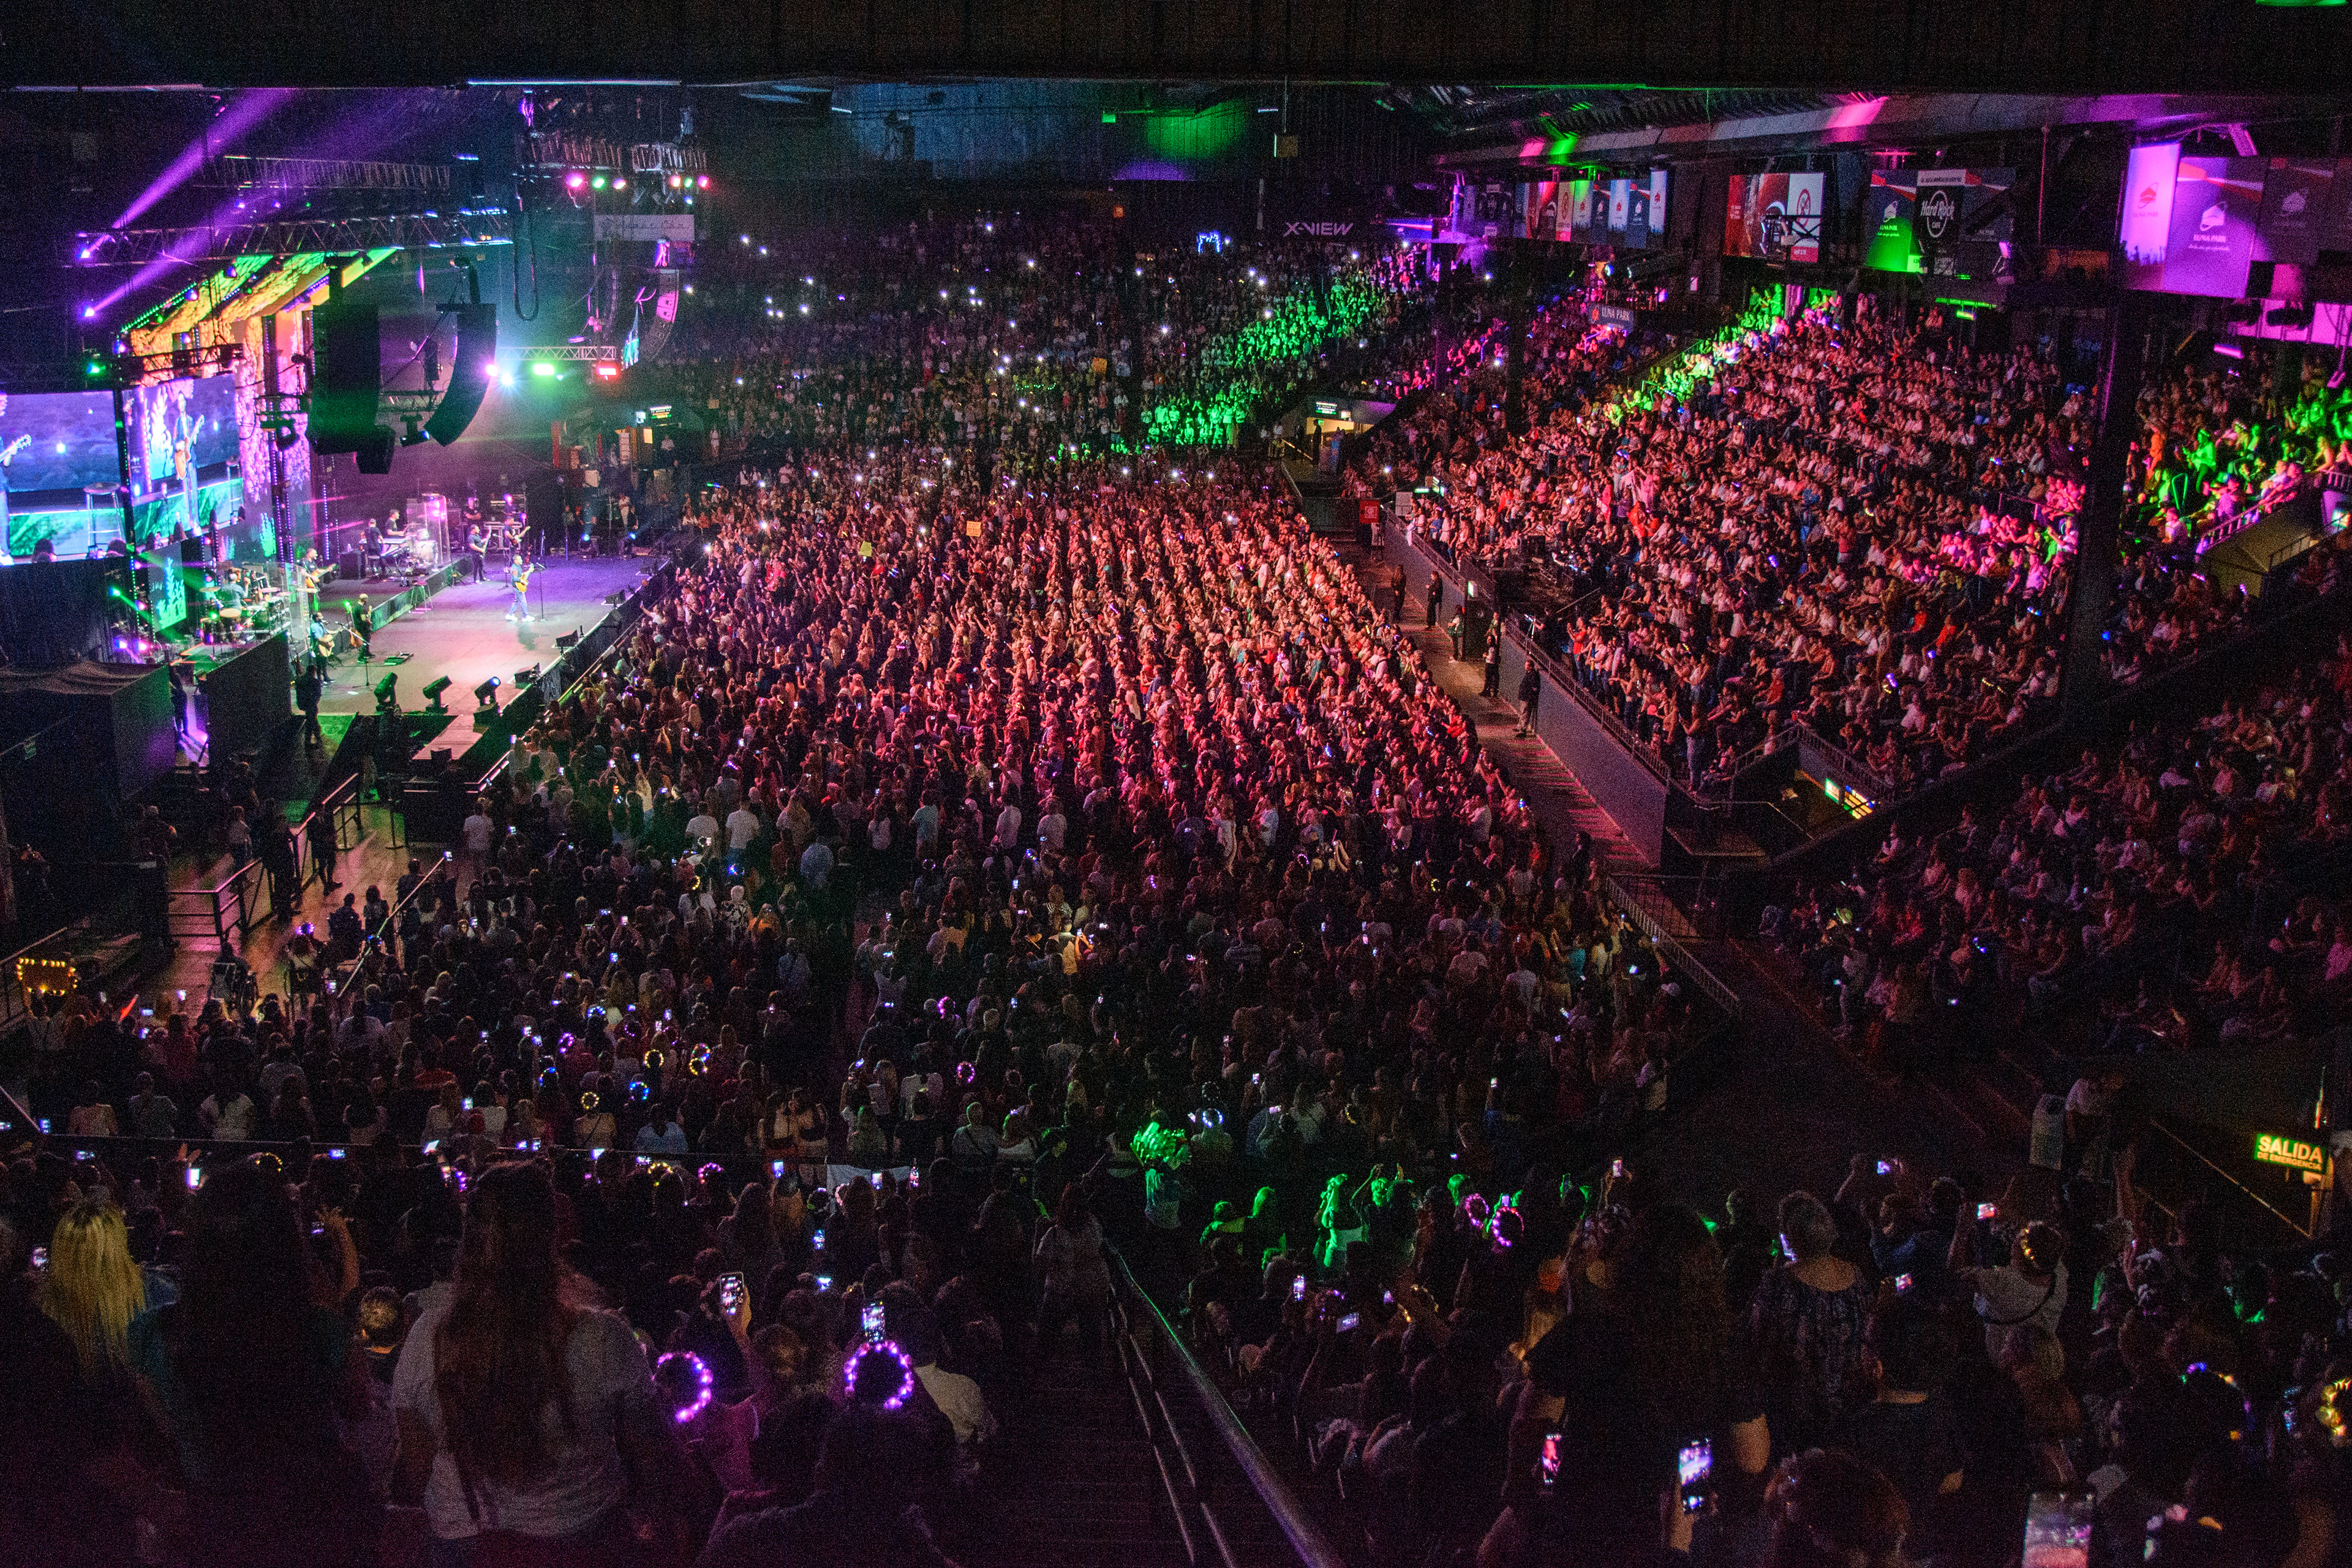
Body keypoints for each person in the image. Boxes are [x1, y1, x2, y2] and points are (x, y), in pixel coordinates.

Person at [391, 1161, 692, 1564]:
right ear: (554, 1233)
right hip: (583, 1543)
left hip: (466, 1547)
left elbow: (414, 1470)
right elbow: (657, 1466)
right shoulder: (604, 1340)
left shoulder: (428, 1338)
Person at [126, 1158, 380, 1567]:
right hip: (313, 1522)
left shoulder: (151, 1336)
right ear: (283, 1243)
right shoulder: (319, 1330)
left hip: (216, 1526)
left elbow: (173, 1433)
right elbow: (358, 1408)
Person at [1746, 1191, 1872, 1452]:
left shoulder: (1780, 1282)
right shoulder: (1856, 1275)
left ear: (1790, 1236)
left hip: (1798, 1413)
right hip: (1852, 1405)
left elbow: (1758, 1340)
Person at [1033, 1183, 1112, 1369]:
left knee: (1045, 1337)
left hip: (1061, 1291)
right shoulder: (1093, 1226)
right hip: (1091, 1288)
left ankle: (1042, 1374)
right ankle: (1093, 1375)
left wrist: (1038, 1233)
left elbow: (1038, 1265)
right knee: (1091, 1337)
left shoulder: (1055, 1235)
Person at [1515, 662, 1542, 737]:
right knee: (1523, 712)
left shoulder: (1533, 676)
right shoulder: (1528, 674)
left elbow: (1534, 688)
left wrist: (1529, 696)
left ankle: (1523, 730)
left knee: (1525, 714)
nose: (1525, 667)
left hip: (1527, 698)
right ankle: (1520, 727)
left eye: (1527, 665)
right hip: (1524, 697)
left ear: (1530, 667)